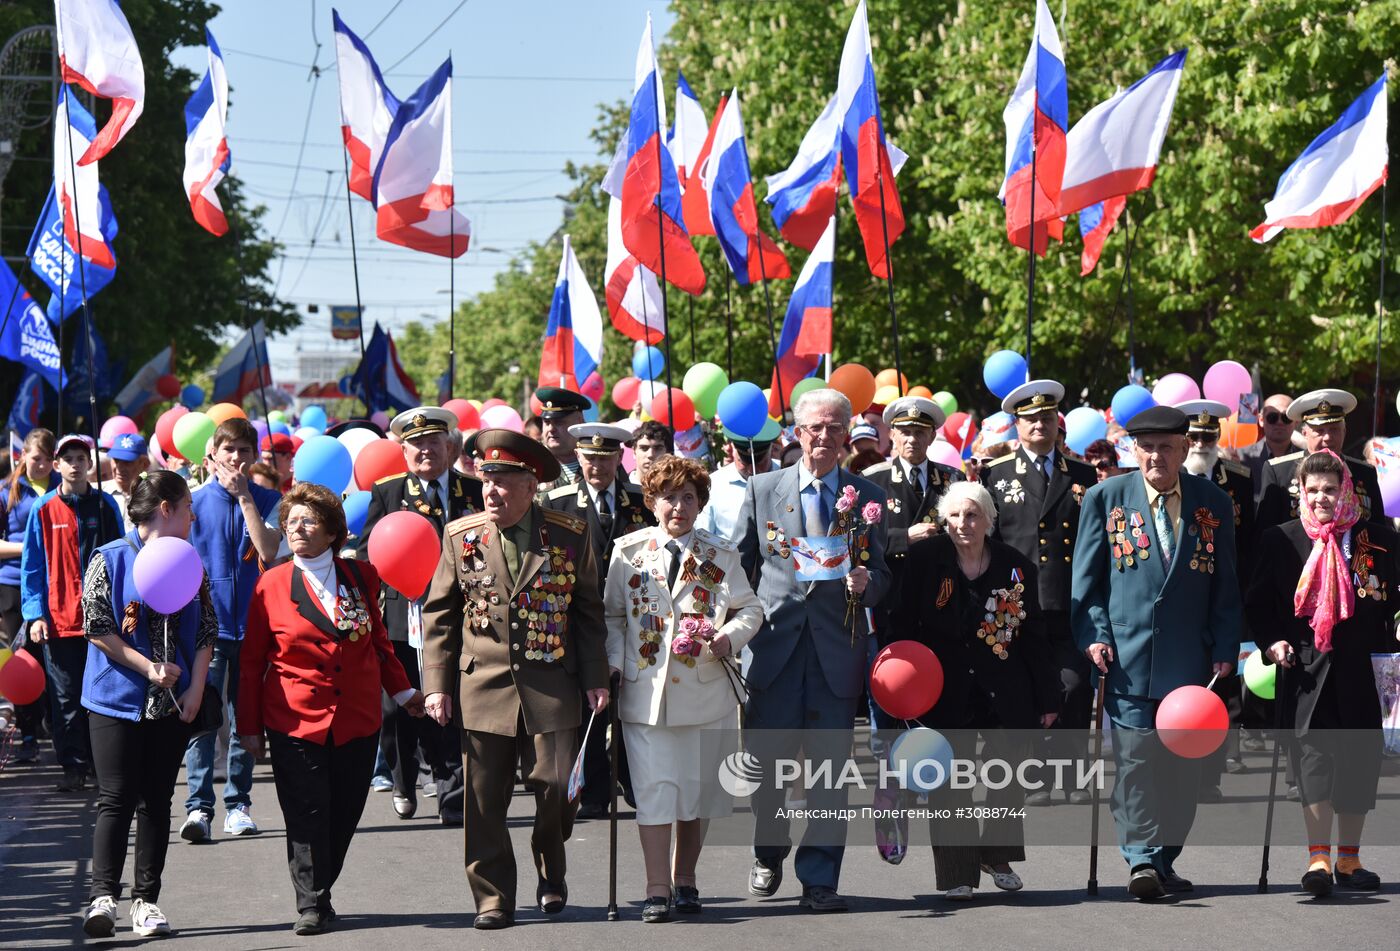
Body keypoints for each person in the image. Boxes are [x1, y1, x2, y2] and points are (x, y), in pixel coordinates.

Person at [420, 429, 609, 930]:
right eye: (486, 479)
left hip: (553, 683)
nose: (491, 492)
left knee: (554, 788)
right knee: (483, 800)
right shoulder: (462, 537)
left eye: (503, 481)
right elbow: (439, 615)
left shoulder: (569, 533)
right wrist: (436, 683)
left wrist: (595, 677)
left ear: (531, 485)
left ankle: (551, 868)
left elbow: (587, 611)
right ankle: (493, 896)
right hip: (483, 683)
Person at [1070, 405, 1242, 901]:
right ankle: (1141, 860)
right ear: (1133, 449)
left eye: (1167, 446)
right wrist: (1094, 635)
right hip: (1128, 658)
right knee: (1136, 763)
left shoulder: (1213, 502)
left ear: (1185, 448)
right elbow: (1087, 583)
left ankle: (1165, 859)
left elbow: (1225, 585)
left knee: (1184, 773)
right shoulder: (1106, 498)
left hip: (1192, 663)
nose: (1156, 456)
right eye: (1146, 447)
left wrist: (1226, 646)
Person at [237, 483, 424, 934]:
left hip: (357, 719)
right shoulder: (272, 583)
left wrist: (404, 693)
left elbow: (379, 643)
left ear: (332, 530)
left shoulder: (361, 577)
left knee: (342, 813)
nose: (297, 528)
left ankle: (321, 886)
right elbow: (250, 663)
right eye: (291, 521)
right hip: (294, 719)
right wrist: (248, 727)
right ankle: (312, 903)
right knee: (306, 812)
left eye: (308, 520)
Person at [737, 388, 891, 913]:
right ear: (796, 433)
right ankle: (769, 849)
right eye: (814, 427)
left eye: (833, 427)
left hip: (835, 655)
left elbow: (885, 576)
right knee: (768, 769)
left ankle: (820, 876)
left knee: (828, 772)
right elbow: (740, 567)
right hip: (773, 651)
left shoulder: (868, 496)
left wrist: (867, 582)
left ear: (847, 436)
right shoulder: (761, 490)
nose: (823, 437)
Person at [604, 456, 763, 921]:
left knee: (695, 793)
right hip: (645, 694)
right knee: (655, 791)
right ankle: (657, 888)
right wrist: (614, 664)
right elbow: (614, 617)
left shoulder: (720, 554)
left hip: (705, 691)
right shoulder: (627, 553)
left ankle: (686, 878)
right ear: (652, 503)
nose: (679, 507)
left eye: (688, 498)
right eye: (669, 497)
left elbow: (750, 609)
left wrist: (727, 637)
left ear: (700, 503)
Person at [1246, 450, 1396, 896]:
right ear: (1301, 493)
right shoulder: (1281, 539)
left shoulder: (1379, 539)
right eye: (1312, 491)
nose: (1321, 498)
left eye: (1330, 489)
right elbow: (1257, 604)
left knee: (1357, 763)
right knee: (1312, 763)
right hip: (1306, 670)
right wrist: (1272, 643)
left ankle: (1349, 859)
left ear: (1346, 490)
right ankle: (1318, 859)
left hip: (1364, 669)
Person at [900, 481, 1058, 899]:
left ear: (989, 520)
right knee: (950, 781)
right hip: (943, 689)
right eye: (954, 516)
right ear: (942, 520)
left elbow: (1033, 635)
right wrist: (902, 688)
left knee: (1006, 775)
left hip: (1005, 687)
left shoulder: (1016, 567)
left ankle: (997, 854)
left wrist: (1048, 697)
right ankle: (957, 872)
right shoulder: (922, 561)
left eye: (972, 515)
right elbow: (902, 628)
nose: (963, 524)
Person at [79, 471, 216, 939]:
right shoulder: (109, 558)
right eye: (188, 507)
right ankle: (101, 898)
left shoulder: (190, 562)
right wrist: (147, 667)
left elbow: (204, 631)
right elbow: (97, 626)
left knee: (157, 800)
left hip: (172, 703)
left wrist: (196, 686)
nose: (193, 516)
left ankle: (146, 902)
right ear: (166, 508)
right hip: (114, 700)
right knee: (115, 797)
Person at [357, 407, 482, 825]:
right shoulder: (388, 491)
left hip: (457, 614)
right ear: (404, 450)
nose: (426, 451)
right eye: (417, 444)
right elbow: (368, 554)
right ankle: (403, 779)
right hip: (401, 614)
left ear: (449, 446)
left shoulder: (472, 489)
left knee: (449, 701)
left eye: (434, 442)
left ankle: (451, 791)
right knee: (398, 708)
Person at [981, 379, 1096, 804]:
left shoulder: (1082, 475)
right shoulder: (996, 474)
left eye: (1046, 418)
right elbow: (989, 541)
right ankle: (1037, 778)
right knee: (1024, 689)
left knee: (1075, 686)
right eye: (1030, 419)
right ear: (1016, 425)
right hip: (1015, 599)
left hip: (1069, 599)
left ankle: (1073, 775)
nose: (1039, 426)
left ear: (1056, 423)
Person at [862, 396, 962, 845]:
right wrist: (906, 537)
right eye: (903, 432)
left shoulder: (951, 481)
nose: (911, 439)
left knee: (938, 713)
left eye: (921, 432)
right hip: (890, 614)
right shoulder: (872, 483)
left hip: (940, 612)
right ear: (892, 436)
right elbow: (858, 545)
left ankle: (938, 802)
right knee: (888, 715)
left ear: (932, 436)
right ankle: (891, 812)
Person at [181, 418, 282, 842]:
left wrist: (245, 500)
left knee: (245, 722)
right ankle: (198, 807)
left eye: (244, 450)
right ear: (212, 457)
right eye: (229, 451)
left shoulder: (269, 498)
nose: (237, 459)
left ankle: (238, 804)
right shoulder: (192, 502)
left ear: (254, 455)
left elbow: (269, 550)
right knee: (203, 719)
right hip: (207, 630)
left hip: (256, 628)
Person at [544, 422, 651, 818]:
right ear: (579, 457)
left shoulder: (640, 501)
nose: (597, 468)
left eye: (605, 460)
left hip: (632, 616)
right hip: (579, 619)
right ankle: (592, 789)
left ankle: (632, 778)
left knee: (630, 702)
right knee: (589, 701)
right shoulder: (557, 503)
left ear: (618, 459)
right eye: (589, 459)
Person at [21, 433, 123, 791]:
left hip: (102, 622)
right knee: (65, 701)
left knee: (102, 695)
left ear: (90, 464)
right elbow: (32, 565)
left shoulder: (105, 506)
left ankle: (101, 765)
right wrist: (35, 614)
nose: (76, 464)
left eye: (81, 458)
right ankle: (73, 767)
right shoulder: (43, 509)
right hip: (59, 622)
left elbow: (123, 557)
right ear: (56, 465)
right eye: (69, 459)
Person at [1177, 399, 1257, 795]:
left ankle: (1209, 778)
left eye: (1208, 435)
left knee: (1219, 686)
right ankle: (1179, 773)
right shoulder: (1168, 475)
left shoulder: (1238, 478)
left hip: (1224, 594)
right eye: (1193, 435)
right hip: (1180, 596)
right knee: (1180, 687)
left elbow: (1250, 542)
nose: (1201, 442)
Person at [0, 428, 55, 765]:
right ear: (22, 457)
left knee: (53, 663)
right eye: (36, 458)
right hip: (12, 585)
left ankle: (54, 726)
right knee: (21, 660)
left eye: (48, 459)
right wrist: (31, 548)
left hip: (54, 586)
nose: (42, 465)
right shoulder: (7, 492)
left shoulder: (58, 490)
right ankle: (28, 735)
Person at [1257, 389, 1383, 531]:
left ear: (1344, 432)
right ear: (1305, 434)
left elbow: (1379, 530)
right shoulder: (1278, 471)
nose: (1328, 437)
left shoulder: (1365, 473)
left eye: (1334, 429)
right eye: (1320, 431)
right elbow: (1265, 533)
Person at [697, 421, 780, 543]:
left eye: (760, 463)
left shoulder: (788, 475)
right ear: (732, 449)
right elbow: (704, 537)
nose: (752, 470)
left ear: (771, 450)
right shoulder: (714, 485)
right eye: (744, 463)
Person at [1239, 393, 1295, 499]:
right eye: (1272, 417)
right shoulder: (1241, 458)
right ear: (1261, 420)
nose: (1279, 422)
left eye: (1286, 417)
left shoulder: (1305, 459)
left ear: (1296, 421)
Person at [534, 386, 590, 492]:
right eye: (547, 422)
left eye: (559, 422)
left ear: (579, 421)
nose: (551, 429)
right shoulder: (532, 462)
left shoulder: (599, 460)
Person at [99, 433, 150, 530]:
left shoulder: (154, 493)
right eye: (116, 460)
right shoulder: (98, 493)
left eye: (127, 462)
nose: (119, 468)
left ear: (144, 464)